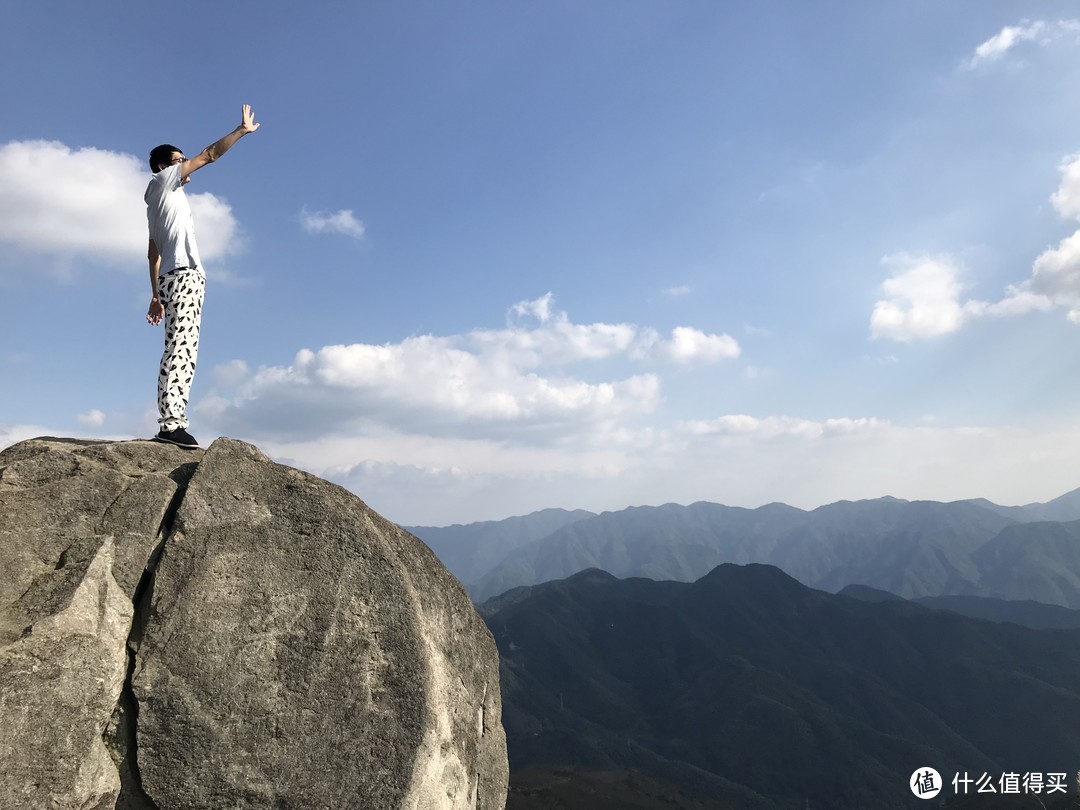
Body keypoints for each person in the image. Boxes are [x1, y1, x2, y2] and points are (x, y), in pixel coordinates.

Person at [145, 104, 259, 448]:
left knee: (178, 346)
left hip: (170, 278)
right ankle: (171, 426)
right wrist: (241, 131)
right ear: (165, 166)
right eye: (179, 160)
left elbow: (153, 251)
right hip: (184, 276)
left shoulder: (157, 200)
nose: (186, 164)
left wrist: (155, 294)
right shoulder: (164, 182)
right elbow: (210, 154)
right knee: (183, 348)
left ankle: (171, 421)